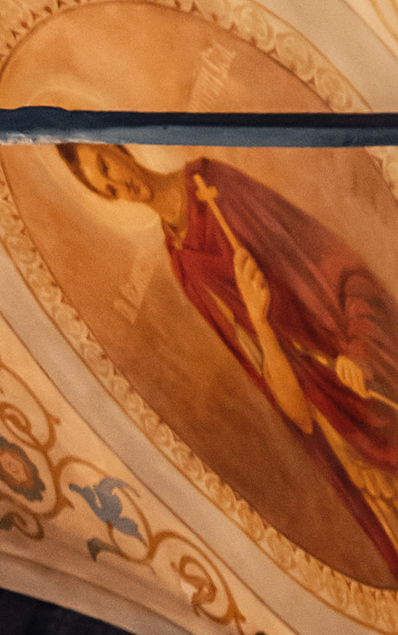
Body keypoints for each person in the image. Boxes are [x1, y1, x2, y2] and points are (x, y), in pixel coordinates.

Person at [58, 143, 398, 587]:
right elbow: (286, 401)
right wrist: (261, 320)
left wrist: (361, 349)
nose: (119, 184)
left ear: (118, 147)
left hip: (355, 375)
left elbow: (326, 259)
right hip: (329, 417)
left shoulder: (212, 187)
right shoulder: (181, 262)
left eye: (106, 165)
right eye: (106, 188)